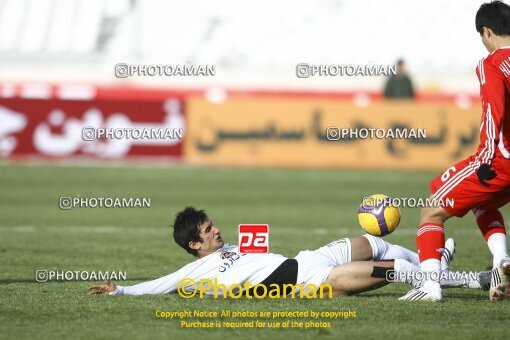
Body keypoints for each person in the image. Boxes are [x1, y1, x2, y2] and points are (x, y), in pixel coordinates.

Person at [88, 207, 487, 297]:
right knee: (391, 268)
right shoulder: (196, 274)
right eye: (209, 231)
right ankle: (475, 280)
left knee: (370, 243)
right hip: (309, 281)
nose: (217, 231)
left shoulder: (231, 248)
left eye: (212, 225)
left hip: (307, 256)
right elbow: (162, 284)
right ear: (194, 244)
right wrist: (121, 291)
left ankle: (432, 261)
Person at [401, 1, 510, 302]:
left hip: (501, 161)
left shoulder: (491, 63)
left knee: (432, 208)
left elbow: (494, 112)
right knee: (483, 203)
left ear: (487, 32)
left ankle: (430, 286)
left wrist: (486, 158)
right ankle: (501, 259)